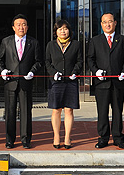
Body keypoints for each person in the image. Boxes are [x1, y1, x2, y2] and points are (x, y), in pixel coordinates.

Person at [87, 12, 124, 149]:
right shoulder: (95, 40)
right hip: (101, 83)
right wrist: (96, 71)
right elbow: (90, 59)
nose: (108, 24)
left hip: (118, 82)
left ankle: (118, 138)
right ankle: (103, 138)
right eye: (105, 22)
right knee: (102, 111)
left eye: (110, 21)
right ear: (101, 25)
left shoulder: (123, 40)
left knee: (118, 111)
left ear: (115, 23)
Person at [0, 14, 43, 149]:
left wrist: (32, 72)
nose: (21, 27)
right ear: (13, 27)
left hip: (26, 82)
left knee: (26, 111)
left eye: (24, 24)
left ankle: (25, 139)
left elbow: (39, 61)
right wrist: (3, 71)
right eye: (18, 24)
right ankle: (10, 140)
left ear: (27, 27)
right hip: (10, 82)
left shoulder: (33, 42)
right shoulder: (6, 41)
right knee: (10, 112)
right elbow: (0, 60)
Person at [45, 19, 83, 150]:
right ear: (56, 31)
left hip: (70, 81)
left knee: (69, 110)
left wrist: (75, 72)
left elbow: (79, 61)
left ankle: (67, 137)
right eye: (60, 29)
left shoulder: (76, 44)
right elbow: (47, 62)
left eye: (65, 28)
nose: (63, 31)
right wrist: (53, 73)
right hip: (55, 82)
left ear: (69, 31)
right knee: (56, 110)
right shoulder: (50, 45)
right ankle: (56, 136)